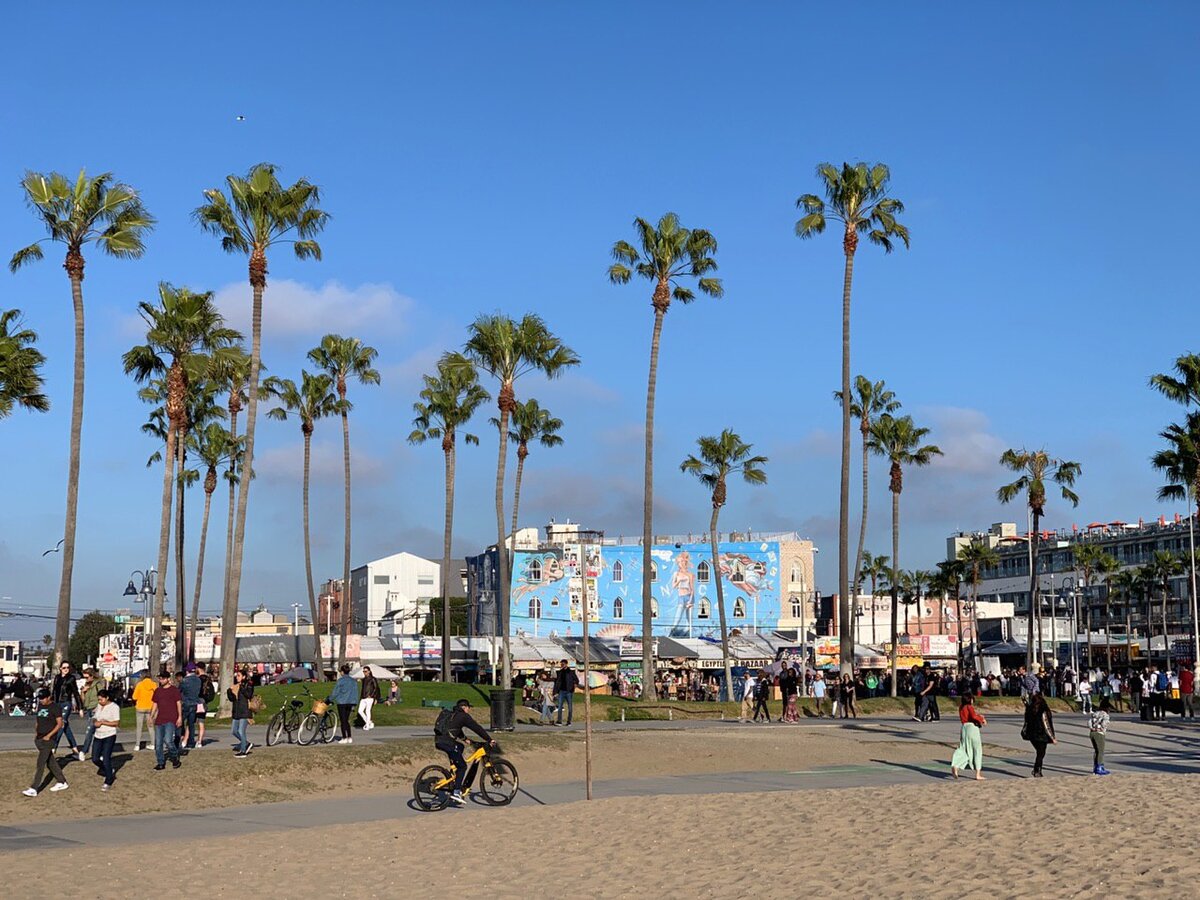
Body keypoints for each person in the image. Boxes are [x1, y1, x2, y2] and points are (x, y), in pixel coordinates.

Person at [433, 699, 495, 805]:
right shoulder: (464, 716)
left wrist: (465, 739)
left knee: (460, 746)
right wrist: (489, 739)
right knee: (463, 767)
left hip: (439, 741)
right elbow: (477, 728)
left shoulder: (453, 714)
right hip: (448, 743)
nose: (469, 710)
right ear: (464, 707)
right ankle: (456, 792)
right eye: (468, 708)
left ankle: (453, 770)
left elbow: (455, 729)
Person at [23, 689, 69, 797]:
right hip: (39, 738)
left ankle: (34, 788)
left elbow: (59, 724)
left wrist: (49, 735)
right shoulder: (40, 706)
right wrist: (36, 733)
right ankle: (62, 781)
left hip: (49, 740)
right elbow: (38, 721)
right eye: (40, 698)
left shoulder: (55, 707)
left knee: (41, 763)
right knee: (50, 762)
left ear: (49, 697)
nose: (42, 700)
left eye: (43, 698)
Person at [50, 661, 84, 760]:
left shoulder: (71, 678)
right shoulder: (57, 678)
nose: (66, 669)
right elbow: (54, 691)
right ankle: (74, 748)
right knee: (66, 727)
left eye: (68, 668)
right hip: (57, 703)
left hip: (66, 703)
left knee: (61, 723)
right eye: (64, 667)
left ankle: (53, 746)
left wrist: (80, 707)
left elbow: (76, 693)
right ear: (60, 668)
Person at [150, 672, 183, 771]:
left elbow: (178, 704)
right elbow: (155, 704)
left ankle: (174, 756)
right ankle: (160, 762)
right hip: (160, 719)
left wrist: (179, 717)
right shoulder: (158, 691)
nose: (161, 680)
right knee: (158, 743)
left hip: (171, 719)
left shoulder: (174, 690)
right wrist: (151, 716)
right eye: (160, 678)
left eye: (163, 678)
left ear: (168, 679)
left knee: (168, 740)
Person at [950, 694, 987, 781]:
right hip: (972, 728)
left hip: (964, 728)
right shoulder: (969, 707)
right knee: (977, 750)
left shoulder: (961, 707)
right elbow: (973, 716)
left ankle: (956, 765)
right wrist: (982, 719)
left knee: (963, 748)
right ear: (970, 700)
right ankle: (978, 774)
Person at [91, 688, 120, 791]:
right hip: (98, 735)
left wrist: (103, 722)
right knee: (95, 758)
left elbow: (116, 723)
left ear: (107, 698)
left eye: (101, 699)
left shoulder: (114, 707)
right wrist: (95, 721)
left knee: (106, 757)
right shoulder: (99, 706)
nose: (100, 702)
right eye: (99, 699)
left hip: (109, 735)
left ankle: (108, 780)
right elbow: (95, 717)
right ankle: (106, 770)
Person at [1023, 692, 1057, 777]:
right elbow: (1046, 724)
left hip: (1031, 734)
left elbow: (1026, 721)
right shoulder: (1043, 710)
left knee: (1039, 753)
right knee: (1041, 753)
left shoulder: (1030, 710)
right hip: (1041, 735)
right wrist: (1052, 737)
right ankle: (1037, 770)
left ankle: (1037, 770)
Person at [227, 668, 254, 757]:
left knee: (241, 731)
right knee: (234, 731)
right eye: (236, 676)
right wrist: (229, 692)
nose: (237, 677)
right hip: (237, 711)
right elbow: (232, 699)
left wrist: (241, 687)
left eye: (239, 676)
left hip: (245, 711)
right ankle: (245, 743)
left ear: (244, 676)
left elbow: (248, 695)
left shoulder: (248, 684)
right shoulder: (235, 686)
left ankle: (243, 751)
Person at [78, 668, 104, 756]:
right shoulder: (86, 685)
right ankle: (100, 752)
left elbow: (103, 697)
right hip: (89, 709)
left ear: (92, 676)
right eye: (84, 677)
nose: (86, 679)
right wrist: (83, 692)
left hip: (96, 709)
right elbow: (83, 700)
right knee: (95, 731)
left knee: (89, 730)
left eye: (87, 677)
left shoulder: (97, 685)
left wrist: (99, 707)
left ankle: (84, 751)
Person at [330, 663, 359, 743]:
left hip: (342, 702)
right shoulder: (353, 681)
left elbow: (335, 692)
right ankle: (349, 736)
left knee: (343, 720)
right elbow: (355, 692)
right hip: (350, 702)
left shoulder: (340, 681)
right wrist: (355, 702)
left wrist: (329, 699)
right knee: (346, 720)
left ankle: (344, 737)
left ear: (342, 672)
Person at [131, 671, 157, 752]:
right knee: (151, 726)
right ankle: (153, 744)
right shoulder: (154, 684)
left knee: (139, 727)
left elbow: (134, 697)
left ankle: (137, 745)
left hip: (140, 707)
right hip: (150, 707)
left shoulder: (140, 684)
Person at [179, 667, 202, 751]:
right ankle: (191, 742)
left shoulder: (185, 680)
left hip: (186, 703)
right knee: (191, 724)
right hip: (194, 703)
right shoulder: (198, 680)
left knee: (180, 721)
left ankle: (179, 739)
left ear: (187, 671)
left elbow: (179, 691)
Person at [1090, 697, 1111, 776]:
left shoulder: (1095, 713)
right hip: (1100, 733)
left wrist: (1092, 728)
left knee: (1096, 750)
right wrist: (1103, 727)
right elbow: (1104, 723)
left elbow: (1089, 722)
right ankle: (1100, 767)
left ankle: (1095, 767)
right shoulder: (1105, 715)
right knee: (1101, 751)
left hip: (1092, 733)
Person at [554, 659, 579, 726]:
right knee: (560, 707)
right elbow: (557, 682)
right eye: (561, 664)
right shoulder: (560, 672)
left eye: (563, 664)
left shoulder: (571, 672)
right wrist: (556, 691)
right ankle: (559, 721)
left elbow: (576, 680)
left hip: (569, 691)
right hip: (561, 691)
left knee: (570, 707)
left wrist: (573, 686)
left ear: (566, 664)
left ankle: (569, 721)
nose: (562, 665)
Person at [358, 666, 381, 731]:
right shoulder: (363, 679)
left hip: (370, 697)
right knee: (360, 711)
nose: (364, 673)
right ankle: (369, 722)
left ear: (369, 671)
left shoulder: (373, 679)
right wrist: (361, 697)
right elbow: (363, 689)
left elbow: (376, 688)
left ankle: (367, 725)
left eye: (365, 671)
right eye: (363, 671)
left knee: (368, 711)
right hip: (363, 697)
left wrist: (373, 696)